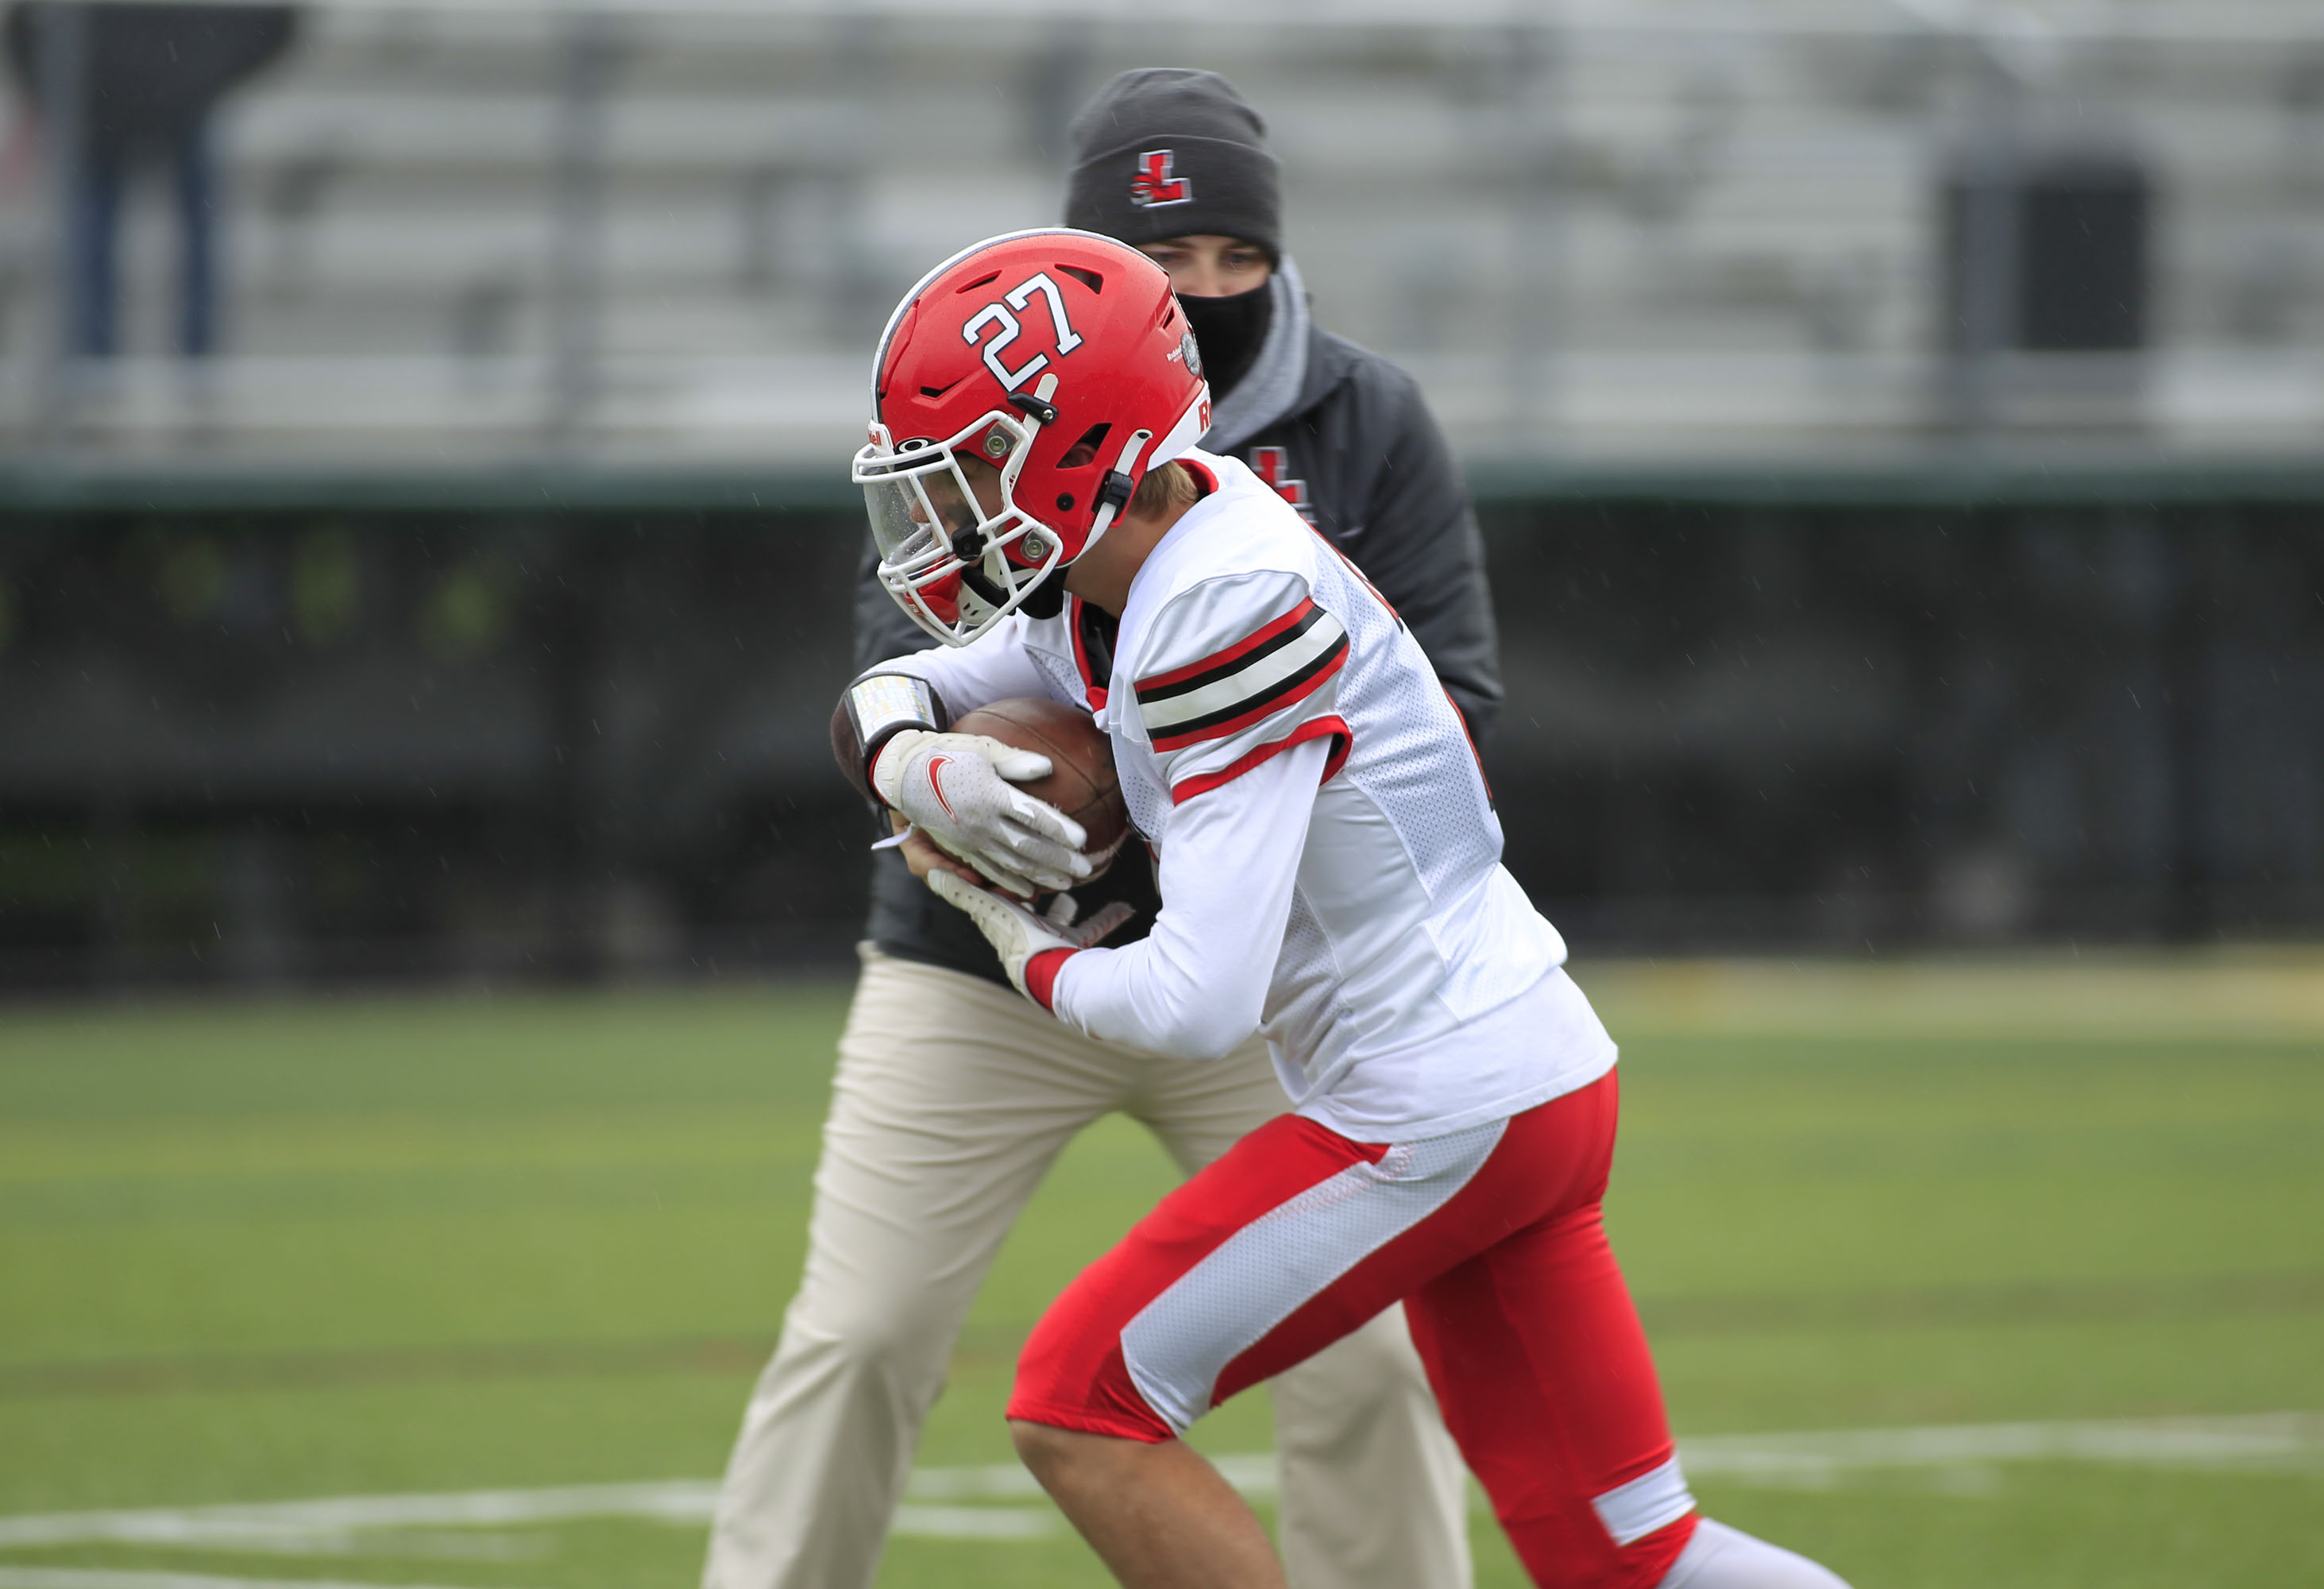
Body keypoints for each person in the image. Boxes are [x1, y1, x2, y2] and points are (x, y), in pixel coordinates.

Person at [835, 230, 1854, 1589]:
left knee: (1080, 1407)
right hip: (1521, 1072)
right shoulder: (1141, 558)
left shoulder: (1216, 604)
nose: (943, 512)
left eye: (964, 470)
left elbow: (1193, 1006)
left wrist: (1005, 926)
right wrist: (913, 762)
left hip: (1433, 1100)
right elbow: (901, 688)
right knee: (1628, 1559)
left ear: (1070, 446)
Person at [703, 69, 1495, 1589]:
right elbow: (905, 648)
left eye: (1235, 258)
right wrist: (922, 768)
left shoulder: (1365, 418)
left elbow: (1451, 716)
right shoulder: (983, 408)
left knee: (1373, 1363)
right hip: (982, 959)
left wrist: (1159, 800)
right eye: (1166, 260)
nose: (1202, 292)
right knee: (859, 1337)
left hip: (1266, 980)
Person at [6, 2, 298, 358]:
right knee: (105, 235)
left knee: (112, 233)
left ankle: (123, 358)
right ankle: (142, 359)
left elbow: (277, 21)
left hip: (134, 93)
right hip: (131, 95)